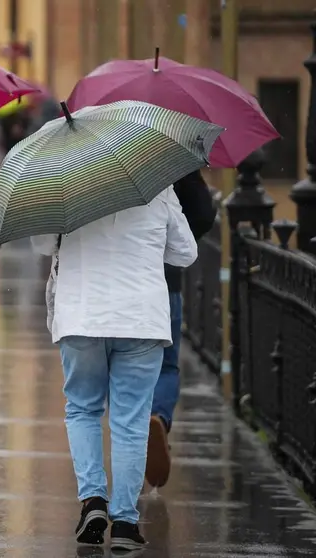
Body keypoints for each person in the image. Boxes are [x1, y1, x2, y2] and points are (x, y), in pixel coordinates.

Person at [32, 185, 197, 551]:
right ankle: (124, 522)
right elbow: (186, 253)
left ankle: (93, 501)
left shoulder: (63, 182)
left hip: (82, 315)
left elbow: (43, 245)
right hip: (140, 319)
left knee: (83, 409)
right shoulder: (156, 187)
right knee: (131, 421)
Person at [145, 170, 217, 488]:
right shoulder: (171, 154)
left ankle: (131, 440)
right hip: (164, 278)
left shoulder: (94, 151)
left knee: (119, 365)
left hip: (111, 282)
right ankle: (158, 416)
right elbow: (202, 213)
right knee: (165, 365)